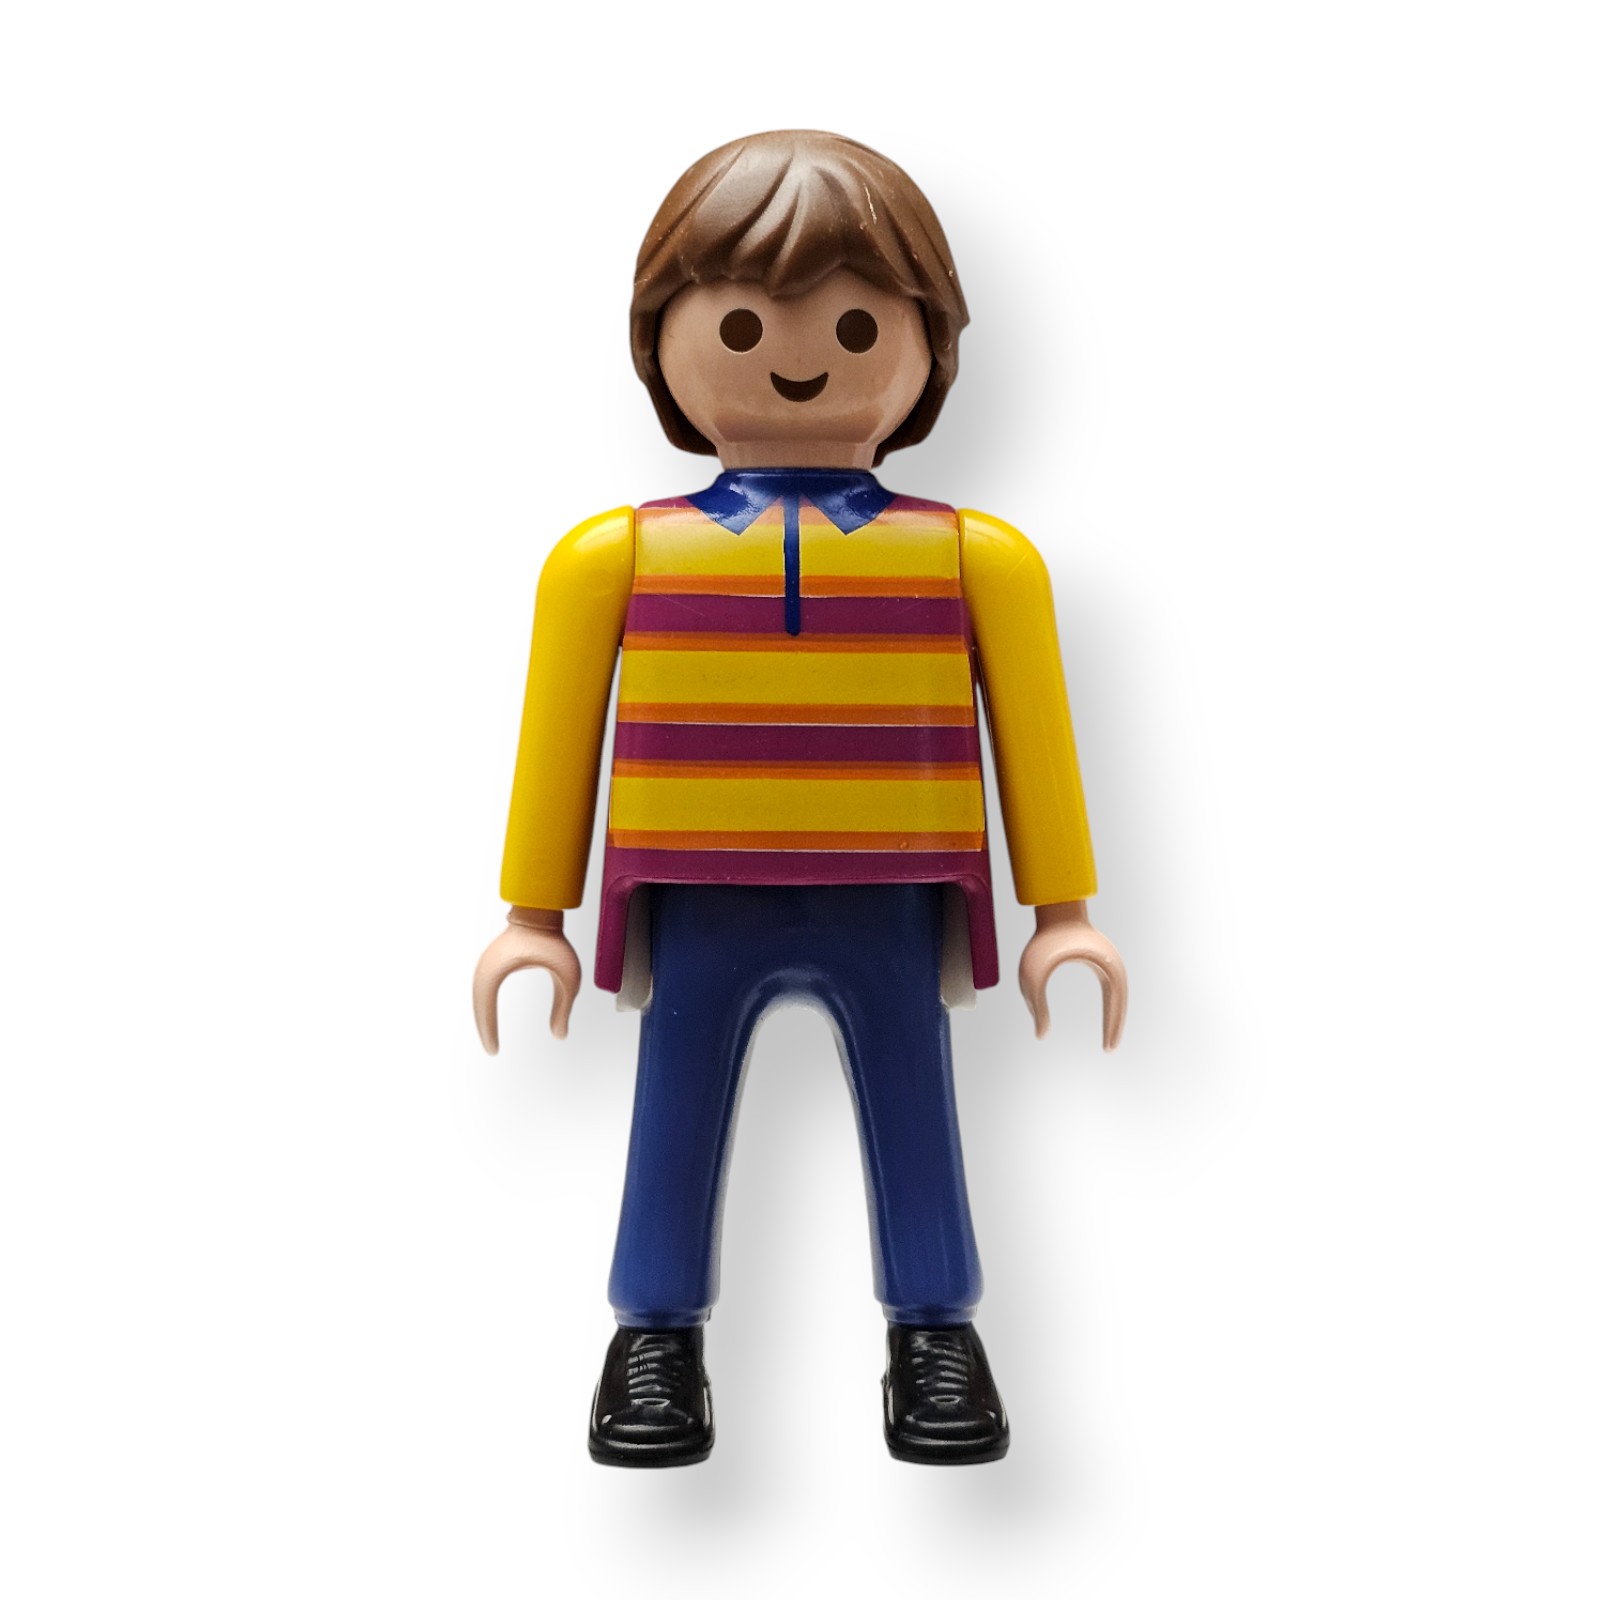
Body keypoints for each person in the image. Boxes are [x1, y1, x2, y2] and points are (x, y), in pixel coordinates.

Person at [472, 130, 1127, 1467]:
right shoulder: (613, 559)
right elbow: (559, 738)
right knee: (673, 1109)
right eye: (739, 323)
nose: (798, 356)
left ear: (929, 344)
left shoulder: (975, 559)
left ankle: (936, 1334)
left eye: (855, 323)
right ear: (662, 341)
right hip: (694, 894)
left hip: (893, 889)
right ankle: (655, 1337)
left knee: (916, 1101)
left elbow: (1035, 735)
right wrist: (532, 916)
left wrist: (1064, 910)